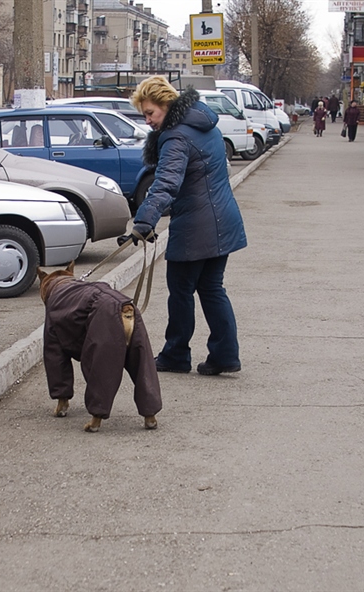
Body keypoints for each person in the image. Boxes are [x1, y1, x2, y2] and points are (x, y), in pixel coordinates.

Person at [130, 76, 247, 376]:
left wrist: (144, 220)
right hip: (223, 220)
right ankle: (224, 355)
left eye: (150, 113)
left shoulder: (175, 137)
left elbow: (166, 182)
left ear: (166, 104)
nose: (147, 121)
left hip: (197, 226)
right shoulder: (206, 125)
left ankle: (176, 354)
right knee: (212, 288)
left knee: (181, 290)